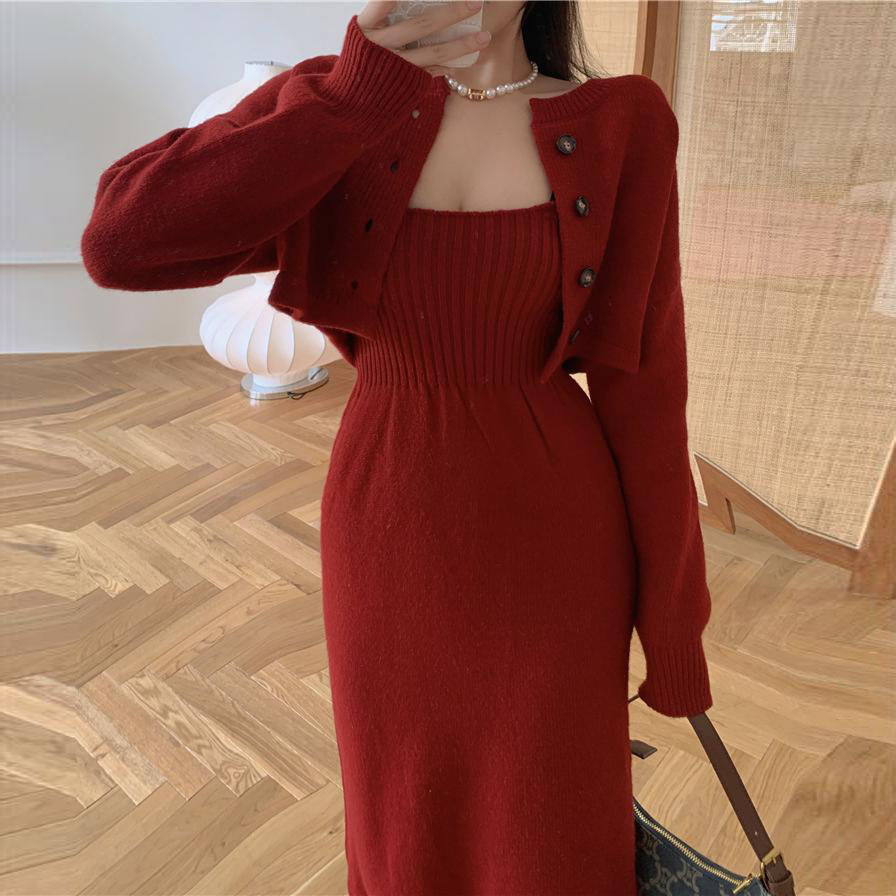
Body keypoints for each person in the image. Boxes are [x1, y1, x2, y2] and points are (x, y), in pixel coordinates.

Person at [81, 2, 714, 893]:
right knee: (404, 813)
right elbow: (120, 243)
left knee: (554, 819)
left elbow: (646, 390)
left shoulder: (622, 123)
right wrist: (350, 101)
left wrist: (676, 624)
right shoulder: (338, 105)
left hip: (558, 544)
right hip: (388, 525)